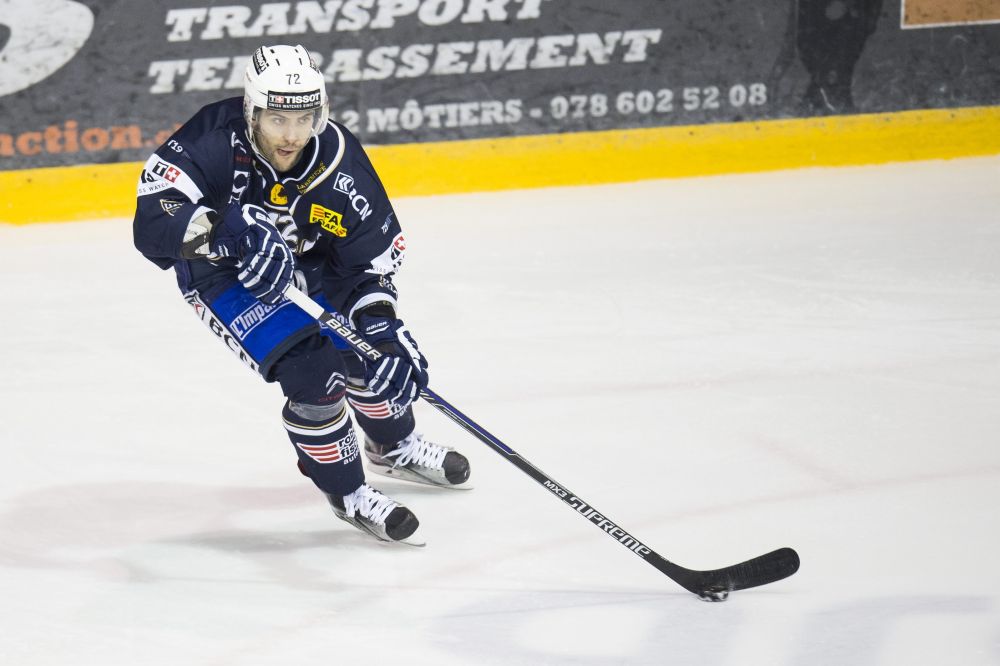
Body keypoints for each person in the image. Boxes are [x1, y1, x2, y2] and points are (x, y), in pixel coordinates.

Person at [132, 44, 470, 545]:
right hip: (225, 275)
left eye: (305, 118)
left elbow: (368, 264)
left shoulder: (339, 160)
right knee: (315, 374)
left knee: (373, 355)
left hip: (313, 264)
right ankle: (349, 494)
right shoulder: (210, 136)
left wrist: (382, 326)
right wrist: (226, 230)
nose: (292, 135)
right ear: (251, 110)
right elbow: (151, 223)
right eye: (277, 119)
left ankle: (394, 446)